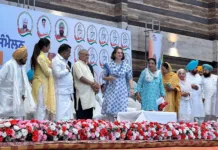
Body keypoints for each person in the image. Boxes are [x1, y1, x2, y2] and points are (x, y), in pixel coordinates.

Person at [0, 46, 35, 119]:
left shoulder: (22, 67)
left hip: (18, 98)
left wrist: (23, 94)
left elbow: (22, 82)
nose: (27, 59)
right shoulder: (9, 65)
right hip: (6, 97)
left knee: (19, 120)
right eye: (25, 57)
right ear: (20, 57)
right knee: (4, 120)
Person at [101, 46, 134, 121]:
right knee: (110, 109)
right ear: (114, 54)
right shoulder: (108, 64)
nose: (120, 54)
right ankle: (110, 125)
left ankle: (120, 126)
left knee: (121, 109)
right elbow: (103, 77)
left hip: (122, 90)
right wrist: (109, 78)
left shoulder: (126, 66)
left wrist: (132, 88)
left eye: (121, 53)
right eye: (118, 53)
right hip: (112, 89)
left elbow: (129, 78)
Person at [31, 38, 56, 120]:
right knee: (41, 107)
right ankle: (38, 129)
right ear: (44, 47)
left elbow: (50, 66)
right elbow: (47, 72)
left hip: (44, 84)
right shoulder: (41, 57)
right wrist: (51, 68)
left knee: (43, 108)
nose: (49, 48)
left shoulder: (43, 57)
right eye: (49, 46)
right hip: (40, 84)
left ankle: (42, 128)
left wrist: (50, 64)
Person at [73, 49, 100, 119]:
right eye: (86, 55)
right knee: (81, 120)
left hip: (90, 97)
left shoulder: (87, 66)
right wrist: (92, 84)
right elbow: (81, 77)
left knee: (89, 119)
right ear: (80, 56)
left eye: (88, 55)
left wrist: (96, 85)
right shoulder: (77, 64)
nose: (87, 56)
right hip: (82, 96)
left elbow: (92, 78)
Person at [52, 44, 74, 121]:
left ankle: (67, 130)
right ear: (64, 52)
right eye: (69, 52)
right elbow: (57, 74)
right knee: (61, 114)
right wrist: (67, 70)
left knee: (67, 115)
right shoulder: (56, 60)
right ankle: (60, 130)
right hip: (60, 92)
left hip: (67, 92)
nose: (70, 54)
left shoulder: (64, 61)